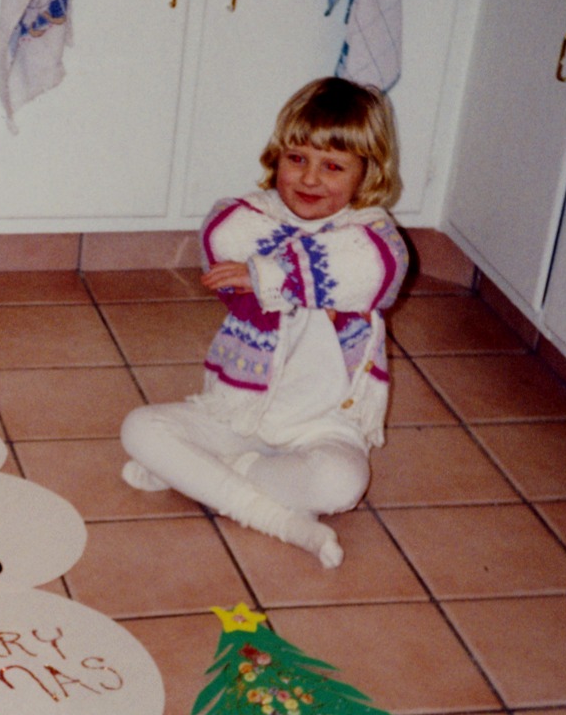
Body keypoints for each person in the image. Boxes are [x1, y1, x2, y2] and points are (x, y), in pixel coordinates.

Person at [120, 76, 409, 568]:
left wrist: (268, 275)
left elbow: (373, 267)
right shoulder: (253, 214)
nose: (309, 179)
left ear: (367, 174)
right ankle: (281, 520)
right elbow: (223, 235)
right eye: (296, 159)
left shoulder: (374, 233)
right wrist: (299, 284)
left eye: (333, 166)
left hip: (324, 422)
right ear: (277, 157)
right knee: (140, 429)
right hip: (239, 410)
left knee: (341, 484)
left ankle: (208, 476)